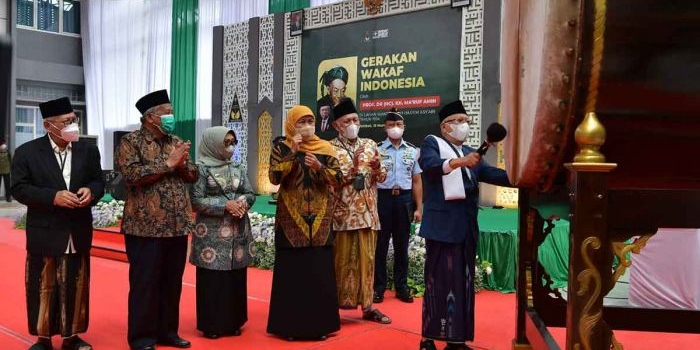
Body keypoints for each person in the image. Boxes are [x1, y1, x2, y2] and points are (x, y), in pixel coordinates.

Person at [12, 97, 104, 350]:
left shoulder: (87, 150)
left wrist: (90, 192)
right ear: (48, 125)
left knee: (77, 282)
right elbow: (19, 189)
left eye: (74, 120)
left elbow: (99, 181)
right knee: (43, 285)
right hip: (45, 230)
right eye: (66, 122)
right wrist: (52, 197)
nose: (73, 125)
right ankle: (43, 338)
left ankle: (71, 336)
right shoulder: (27, 152)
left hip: (78, 229)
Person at [418, 100, 510, 350]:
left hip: (466, 229)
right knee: (437, 284)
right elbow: (430, 167)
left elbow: (496, 176)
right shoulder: (432, 144)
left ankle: (455, 340)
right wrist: (459, 162)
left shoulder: (472, 153)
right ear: (445, 126)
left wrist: (526, 173)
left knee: (461, 285)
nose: (464, 125)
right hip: (442, 228)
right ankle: (427, 339)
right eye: (458, 121)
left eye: (466, 120)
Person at [115, 89, 197, 350]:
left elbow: (193, 175)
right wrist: (168, 164)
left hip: (177, 225)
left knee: (172, 283)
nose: (172, 116)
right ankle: (142, 337)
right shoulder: (131, 142)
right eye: (167, 113)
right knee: (145, 284)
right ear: (150, 117)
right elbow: (131, 175)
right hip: (145, 227)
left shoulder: (175, 140)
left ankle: (167, 332)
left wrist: (183, 163)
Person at [266, 105, 342, 340]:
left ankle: (320, 326)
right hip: (291, 219)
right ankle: (289, 327)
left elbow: (338, 179)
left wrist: (320, 167)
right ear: (292, 124)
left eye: (310, 120)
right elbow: (273, 177)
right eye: (302, 121)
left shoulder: (325, 147)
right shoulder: (281, 146)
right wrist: (292, 152)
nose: (307, 125)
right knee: (293, 273)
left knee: (318, 271)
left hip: (320, 219)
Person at [189, 126, 255, 339]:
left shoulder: (237, 167)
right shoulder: (201, 169)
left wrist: (242, 203)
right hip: (212, 234)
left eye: (232, 142)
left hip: (237, 229)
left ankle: (234, 322)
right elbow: (196, 201)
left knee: (235, 276)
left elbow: (249, 192)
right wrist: (225, 205)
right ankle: (213, 324)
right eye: (226, 142)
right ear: (213, 143)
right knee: (213, 278)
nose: (231, 147)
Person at [329, 98, 391, 324]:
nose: (353, 123)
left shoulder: (370, 144)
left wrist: (376, 169)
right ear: (337, 125)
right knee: (342, 262)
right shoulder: (330, 149)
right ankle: (334, 307)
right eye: (347, 121)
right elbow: (327, 181)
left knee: (368, 262)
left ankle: (368, 307)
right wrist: (350, 173)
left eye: (355, 119)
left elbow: (382, 177)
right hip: (342, 216)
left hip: (368, 214)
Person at [373, 108, 423, 304]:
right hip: (382, 199)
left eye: (399, 125)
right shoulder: (377, 149)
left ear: (404, 127)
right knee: (380, 246)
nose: (395, 128)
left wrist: (419, 208)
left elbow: (417, 180)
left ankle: (401, 287)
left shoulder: (413, 151)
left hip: (403, 200)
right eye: (391, 125)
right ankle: (378, 288)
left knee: (402, 246)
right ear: (385, 128)